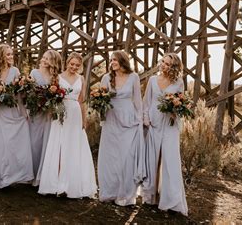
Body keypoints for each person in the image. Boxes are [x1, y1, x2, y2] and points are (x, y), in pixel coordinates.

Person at [38, 52, 97, 198]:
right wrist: (53, 112)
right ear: (67, 63)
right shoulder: (58, 77)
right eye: (72, 64)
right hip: (61, 114)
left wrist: (84, 120)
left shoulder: (81, 78)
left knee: (73, 147)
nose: (74, 67)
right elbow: (53, 98)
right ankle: (56, 182)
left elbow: (82, 101)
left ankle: (71, 183)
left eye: (77, 65)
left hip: (75, 115)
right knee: (59, 146)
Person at [0, 44, 34, 190]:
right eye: (8, 54)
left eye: (12, 54)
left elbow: (19, 94)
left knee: (12, 145)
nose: (11, 57)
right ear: (0, 56)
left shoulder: (15, 71)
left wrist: (24, 90)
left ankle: (10, 176)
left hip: (11, 112)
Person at [142, 53, 188, 216]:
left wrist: (176, 110)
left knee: (170, 160)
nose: (163, 65)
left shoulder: (179, 82)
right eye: (162, 62)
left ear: (174, 67)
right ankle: (149, 196)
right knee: (151, 158)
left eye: (168, 64)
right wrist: (146, 118)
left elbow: (181, 103)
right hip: (153, 123)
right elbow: (146, 102)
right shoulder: (153, 80)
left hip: (169, 124)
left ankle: (172, 200)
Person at [97, 50, 146, 206]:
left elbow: (138, 100)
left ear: (123, 61)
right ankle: (109, 191)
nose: (112, 63)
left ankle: (125, 193)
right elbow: (101, 100)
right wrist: (100, 112)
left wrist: (140, 120)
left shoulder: (134, 77)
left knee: (126, 157)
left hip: (129, 120)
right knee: (110, 157)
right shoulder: (106, 78)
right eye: (111, 60)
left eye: (115, 60)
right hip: (111, 119)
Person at [29, 50, 62, 186]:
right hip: (36, 112)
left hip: (48, 114)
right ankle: (31, 173)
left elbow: (59, 96)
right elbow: (29, 93)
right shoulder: (34, 73)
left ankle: (42, 176)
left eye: (47, 59)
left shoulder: (56, 78)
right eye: (43, 57)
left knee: (47, 143)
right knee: (34, 143)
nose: (43, 60)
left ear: (53, 62)